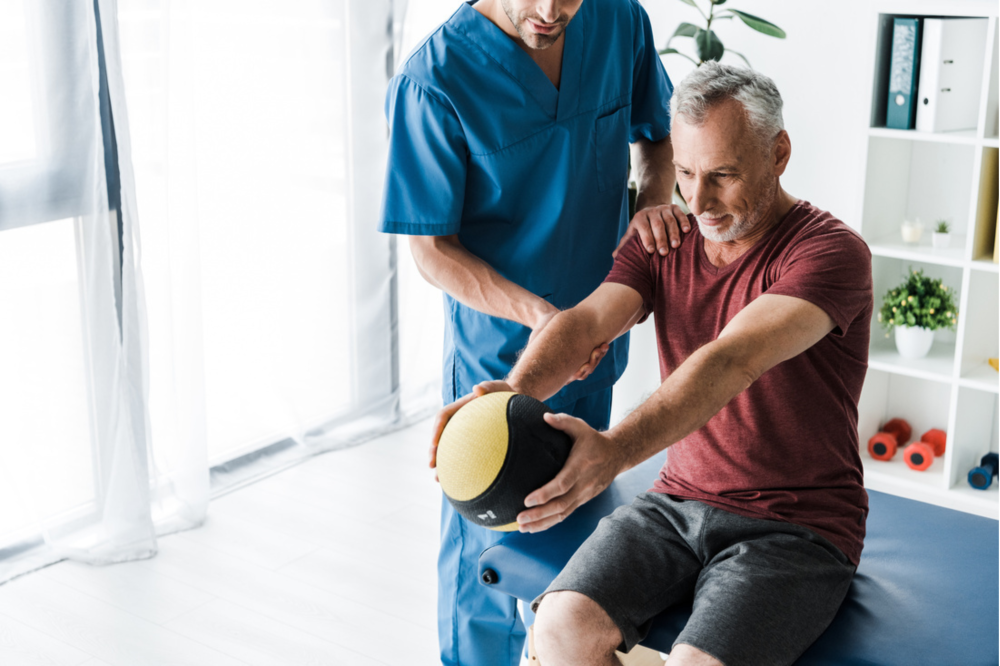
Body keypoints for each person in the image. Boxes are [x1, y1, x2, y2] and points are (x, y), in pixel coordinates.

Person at [435, 61, 873, 666]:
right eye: (687, 173)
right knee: (557, 630)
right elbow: (586, 323)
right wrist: (511, 397)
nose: (698, 200)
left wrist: (612, 451)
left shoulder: (830, 253)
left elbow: (730, 360)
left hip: (794, 526)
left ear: (779, 153)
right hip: (675, 505)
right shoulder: (666, 239)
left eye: (722, 175)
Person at [378, 1, 690, 663]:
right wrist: (543, 319)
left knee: (579, 518)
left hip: (599, 342)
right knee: (489, 554)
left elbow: (658, 136)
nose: (551, 12)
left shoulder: (617, 21)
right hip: (503, 351)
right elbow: (431, 248)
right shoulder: (433, 80)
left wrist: (654, 203)